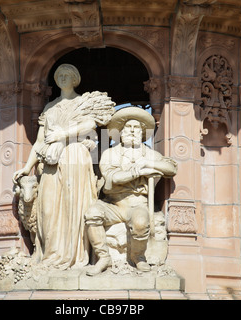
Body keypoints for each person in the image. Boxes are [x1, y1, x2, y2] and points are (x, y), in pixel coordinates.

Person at [13, 64, 115, 270]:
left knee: (74, 206)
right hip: (50, 164)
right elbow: (40, 142)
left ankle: (75, 257)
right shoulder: (49, 108)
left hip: (75, 158)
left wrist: (62, 134)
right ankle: (50, 256)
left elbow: (89, 126)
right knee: (48, 210)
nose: (62, 78)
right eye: (59, 75)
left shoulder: (83, 102)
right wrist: (27, 167)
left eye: (67, 75)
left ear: (75, 79)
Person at [84, 106, 178, 276]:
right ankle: (103, 257)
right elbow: (113, 177)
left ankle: (138, 256)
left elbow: (171, 168)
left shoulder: (149, 154)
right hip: (113, 204)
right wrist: (139, 171)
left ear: (142, 133)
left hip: (137, 203)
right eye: (128, 128)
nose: (132, 131)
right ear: (121, 132)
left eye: (136, 128)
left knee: (141, 223)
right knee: (92, 213)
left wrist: (149, 164)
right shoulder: (110, 153)